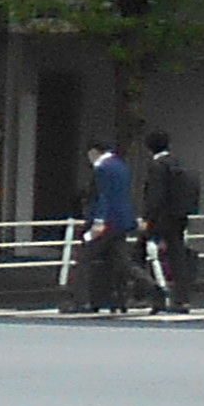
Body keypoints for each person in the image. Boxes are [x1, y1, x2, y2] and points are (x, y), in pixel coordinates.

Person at [70, 136, 141, 318]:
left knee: (83, 259)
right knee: (123, 262)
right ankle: (153, 289)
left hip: (105, 223)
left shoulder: (102, 168)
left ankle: (82, 301)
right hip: (122, 222)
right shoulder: (121, 166)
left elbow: (103, 197)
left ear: (94, 152)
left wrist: (97, 223)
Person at [140, 126, 201, 314]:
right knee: (177, 257)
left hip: (159, 219)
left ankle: (150, 295)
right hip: (178, 217)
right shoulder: (177, 163)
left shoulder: (157, 166)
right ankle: (182, 299)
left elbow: (155, 196)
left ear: (149, 147)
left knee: (139, 255)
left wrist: (147, 219)